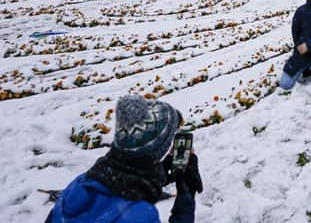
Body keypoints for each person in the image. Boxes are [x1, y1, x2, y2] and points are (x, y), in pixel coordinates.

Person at [45, 94, 201, 223]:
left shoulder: (79, 184)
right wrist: (186, 199)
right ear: (156, 149)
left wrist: (157, 174)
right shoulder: (140, 215)